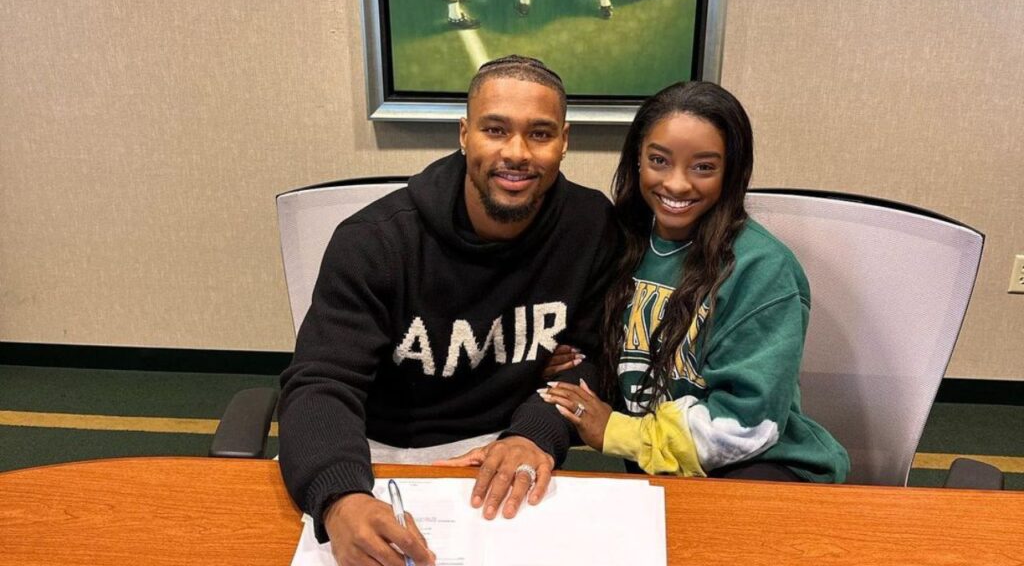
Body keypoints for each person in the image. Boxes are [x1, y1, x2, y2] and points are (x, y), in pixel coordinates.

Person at [278, 55, 618, 566]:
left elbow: (593, 360)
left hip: (506, 445)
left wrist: (534, 431)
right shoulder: (374, 242)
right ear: (464, 134)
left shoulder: (593, 227)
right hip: (374, 452)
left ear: (564, 141)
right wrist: (339, 497)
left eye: (540, 134)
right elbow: (322, 382)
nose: (517, 153)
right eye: (495, 129)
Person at [539, 81, 850, 483]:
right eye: (659, 160)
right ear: (637, 159)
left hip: (760, 471)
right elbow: (593, 347)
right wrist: (542, 356)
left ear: (731, 172)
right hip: (664, 471)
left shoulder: (762, 269)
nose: (677, 184)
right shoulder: (621, 242)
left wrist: (619, 432)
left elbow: (746, 426)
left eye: (703, 166)